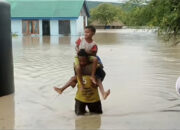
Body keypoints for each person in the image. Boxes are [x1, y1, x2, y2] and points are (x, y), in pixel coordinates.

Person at [54, 26, 110, 99]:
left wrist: (86, 53)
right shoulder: (81, 39)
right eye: (85, 32)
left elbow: (94, 53)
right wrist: (78, 51)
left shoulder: (94, 44)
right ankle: (63, 89)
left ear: (93, 33)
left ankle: (94, 80)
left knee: (96, 67)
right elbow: (76, 46)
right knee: (77, 69)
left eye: (88, 32)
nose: (86, 34)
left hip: (88, 57)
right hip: (79, 56)